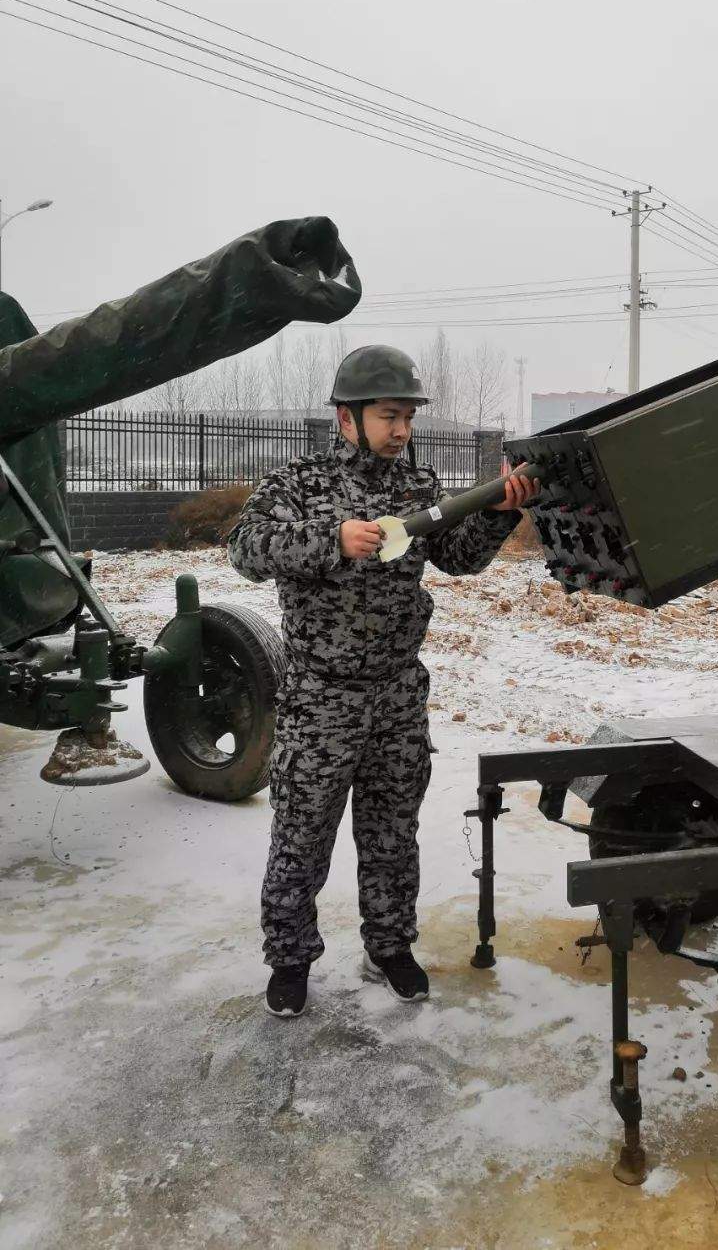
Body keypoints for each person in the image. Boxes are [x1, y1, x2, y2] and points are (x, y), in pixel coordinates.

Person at [227, 345, 537, 1017]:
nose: (401, 430)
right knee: (302, 832)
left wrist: (501, 511)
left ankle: (390, 944)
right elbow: (245, 548)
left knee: (393, 831)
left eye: (407, 417)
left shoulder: (417, 488)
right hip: (320, 696)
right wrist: (331, 539)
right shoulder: (298, 484)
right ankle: (289, 957)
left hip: (397, 694)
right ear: (347, 418)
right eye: (389, 416)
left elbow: (456, 557)